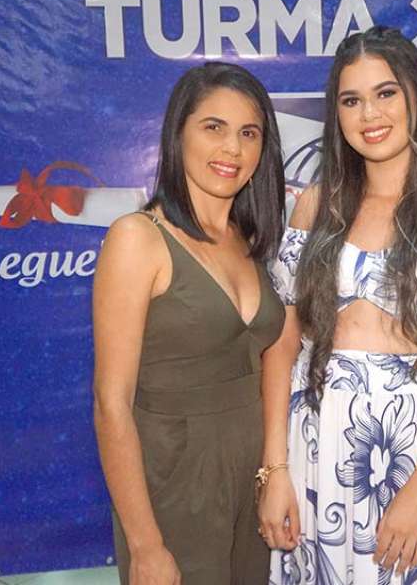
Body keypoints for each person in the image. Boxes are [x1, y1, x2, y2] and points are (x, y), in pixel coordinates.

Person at [258, 26, 417, 585]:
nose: (369, 114)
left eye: (385, 93)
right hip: (315, 447)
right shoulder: (314, 206)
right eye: (351, 100)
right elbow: (283, 345)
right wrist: (275, 468)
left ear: (416, 96)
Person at [92, 62, 286, 584]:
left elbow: (275, 358)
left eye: (249, 133)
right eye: (213, 127)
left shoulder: (250, 240)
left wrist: (274, 472)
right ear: (179, 134)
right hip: (174, 485)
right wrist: (145, 544)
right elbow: (111, 404)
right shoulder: (137, 238)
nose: (232, 149)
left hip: (250, 482)